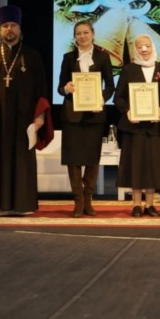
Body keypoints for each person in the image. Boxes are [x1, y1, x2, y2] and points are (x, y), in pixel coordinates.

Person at [0, 5, 53, 217]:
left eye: (13, 25)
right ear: (0, 30)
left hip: (24, 121)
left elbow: (41, 89)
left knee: (22, 161)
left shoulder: (32, 56)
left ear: (20, 29)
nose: (9, 29)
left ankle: (22, 205)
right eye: (5, 25)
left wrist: (40, 116)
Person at [57, 20, 115, 218]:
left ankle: (88, 200)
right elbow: (60, 88)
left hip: (94, 115)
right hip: (72, 115)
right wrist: (66, 88)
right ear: (75, 37)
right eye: (78, 33)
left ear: (93, 34)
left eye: (85, 32)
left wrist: (102, 98)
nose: (82, 36)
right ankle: (78, 201)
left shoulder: (103, 57)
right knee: (73, 160)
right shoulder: (68, 58)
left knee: (92, 160)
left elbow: (110, 86)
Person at [115, 33, 160, 217]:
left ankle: (150, 204)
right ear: (135, 49)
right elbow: (119, 98)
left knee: (153, 166)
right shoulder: (128, 70)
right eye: (140, 46)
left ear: (153, 47)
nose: (144, 49)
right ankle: (136, 204)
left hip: (156, 128)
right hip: (134, 127)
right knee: (135, 166)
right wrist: (128, 111)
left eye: (147, 45)